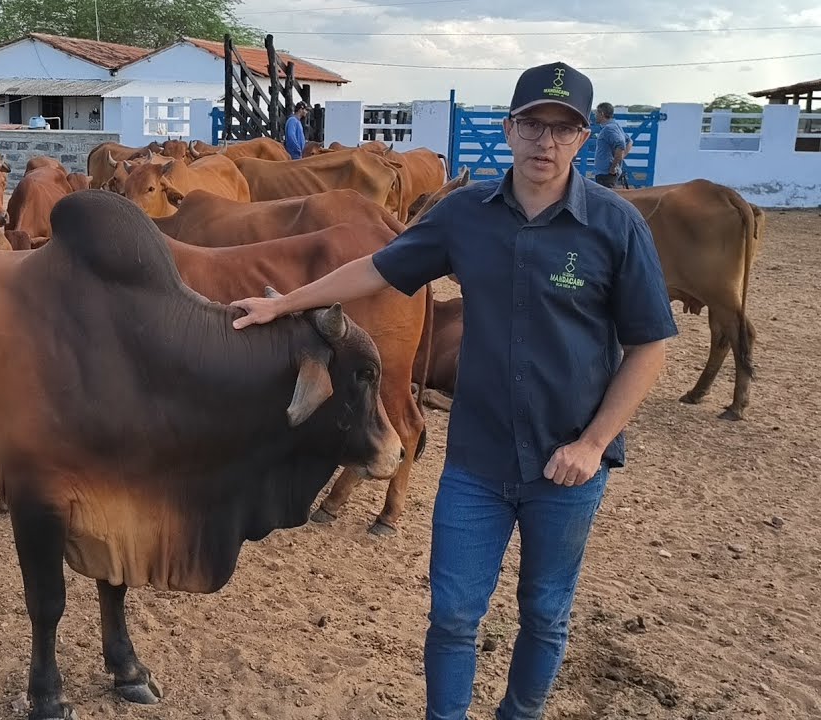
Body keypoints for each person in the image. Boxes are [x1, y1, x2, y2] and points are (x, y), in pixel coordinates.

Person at [230, 61, 677, 720]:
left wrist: (595, 442)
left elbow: (650, 345)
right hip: (478, 461)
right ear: (509, 129)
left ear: (584, 138)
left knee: (546, 614)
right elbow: (377, 268)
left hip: (568, 466)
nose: (545, 142)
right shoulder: (466, 215)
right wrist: (286, 303)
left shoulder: (615, 226)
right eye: (533, 125)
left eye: (563, 128)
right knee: (452, 617)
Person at [593, 102, 633, 188]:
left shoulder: (609, 128)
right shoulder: (614, 126)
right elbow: (629, 141)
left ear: (602, 114)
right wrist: (621, 157)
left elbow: (621, 145)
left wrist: (613, 166)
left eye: (596, 113)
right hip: (606, 174)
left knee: (605, 200)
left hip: (606, 175)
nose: (595, 115)